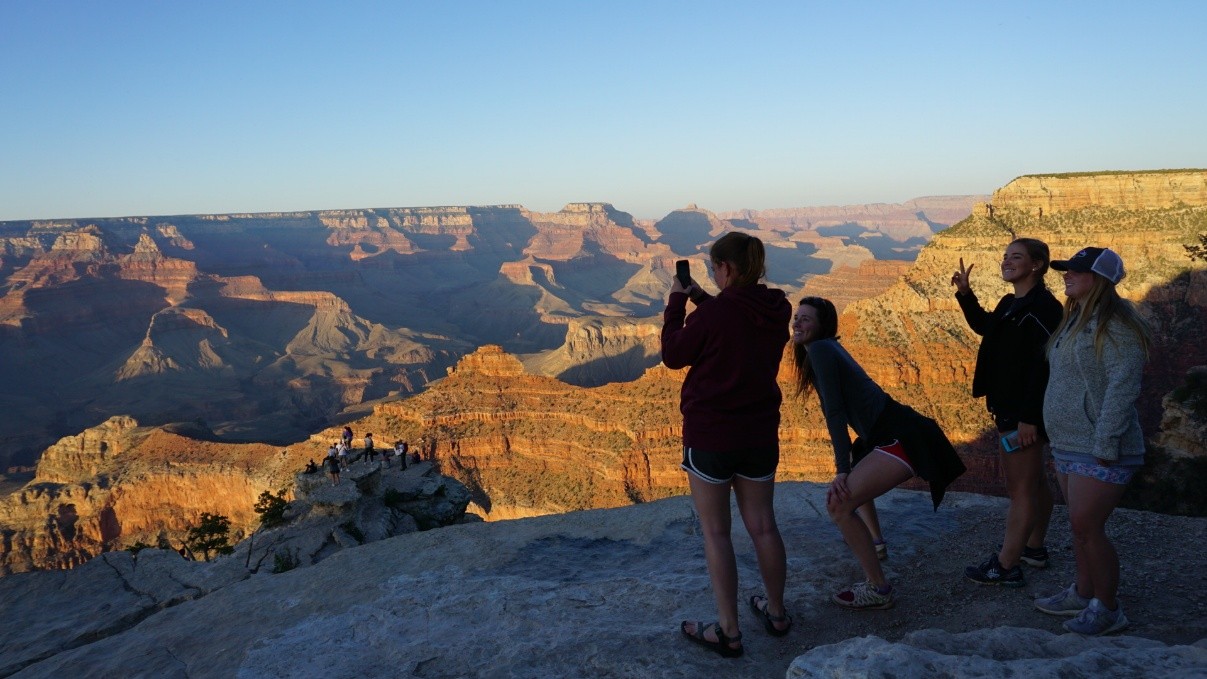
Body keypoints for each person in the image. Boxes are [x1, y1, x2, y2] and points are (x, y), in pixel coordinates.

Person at [662, 232, 793, 658]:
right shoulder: (778, 307)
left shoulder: (714, 317)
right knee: (764, 526)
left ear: (727, 269)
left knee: (717, 533)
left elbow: (673, 354)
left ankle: (729, 631)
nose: (712, 273)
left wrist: (678, 302)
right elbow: (736, 319)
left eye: (714, 268)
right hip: (758, 434)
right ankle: (776, 614)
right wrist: (702, 295)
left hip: (712, 436)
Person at [791, 296, 965, 610]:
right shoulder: (824, 347)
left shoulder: (820, 349)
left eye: (806, 319)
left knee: (839, 504)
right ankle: (876, 541)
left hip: (901, 435)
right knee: (859, 466)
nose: (797, 323)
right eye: (796, 316)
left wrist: (841, 469)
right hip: (889, 431)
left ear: (821, 326)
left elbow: (835, 413)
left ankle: (878, 588)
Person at [1034, 247, 1151, 636]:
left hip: (1100, 446)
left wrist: (1105, 442)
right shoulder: (1075, 319)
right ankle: (1083, 594)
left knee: (1087, 526)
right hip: (1069, 442)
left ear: (1099, 280)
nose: (1066, 275)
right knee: (1078, 526)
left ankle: (1108, 608)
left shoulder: (1114, 324)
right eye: (1065, 269)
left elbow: (1123, 385)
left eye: (1076, 271)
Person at [952, 238, 1063, 587]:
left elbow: (1044, 366)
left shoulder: (1044, 308)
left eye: (1016, 257)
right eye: (1005, 257)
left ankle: (1006, 564)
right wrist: (965, 294)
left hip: (1022, 413)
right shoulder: (1011, 303)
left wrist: (1029, 418)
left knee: (1020, 491)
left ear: (1038, 265)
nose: (1006, 262)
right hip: (1012, 408)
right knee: (1035, 482)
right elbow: (986, 327)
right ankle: (1034, 548)